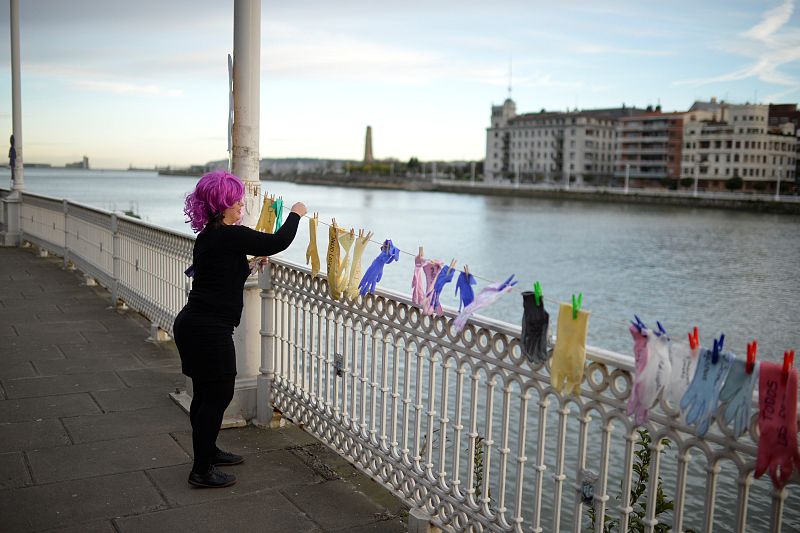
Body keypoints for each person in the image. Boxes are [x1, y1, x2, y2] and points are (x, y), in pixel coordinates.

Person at [173, 170, 306, 488]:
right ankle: (201, 470)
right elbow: (278, 241)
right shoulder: (231, 235)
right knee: (218, 395)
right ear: (223, 204)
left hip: (193, 325)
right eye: (237, 202)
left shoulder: (210, 236)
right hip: (208, 330)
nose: (241, 206)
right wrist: (296, 214)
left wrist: (247, 266)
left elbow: (217, 272)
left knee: (205, 395)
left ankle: (209, 452)